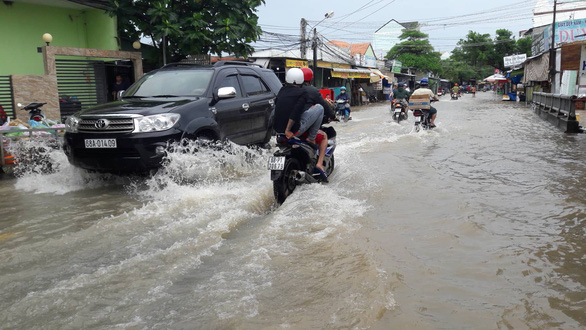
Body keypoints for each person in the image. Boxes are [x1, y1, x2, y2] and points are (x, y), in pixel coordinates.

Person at [273, 67, 324, 146]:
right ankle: (311, 138)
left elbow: (276, 106)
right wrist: (288, 130)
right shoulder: (303, 93)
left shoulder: (282, 90)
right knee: (320, 108)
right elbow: (295, 112)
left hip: (278, 131)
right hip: (293, 130)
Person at [299, 67, 335, 173]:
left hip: (285, 128)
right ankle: (319, 164)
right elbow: (324, 106)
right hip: (301, 128)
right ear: (310, 79)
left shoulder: (290, 90)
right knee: (324, 137)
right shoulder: (312, 91)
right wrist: (332, 115)